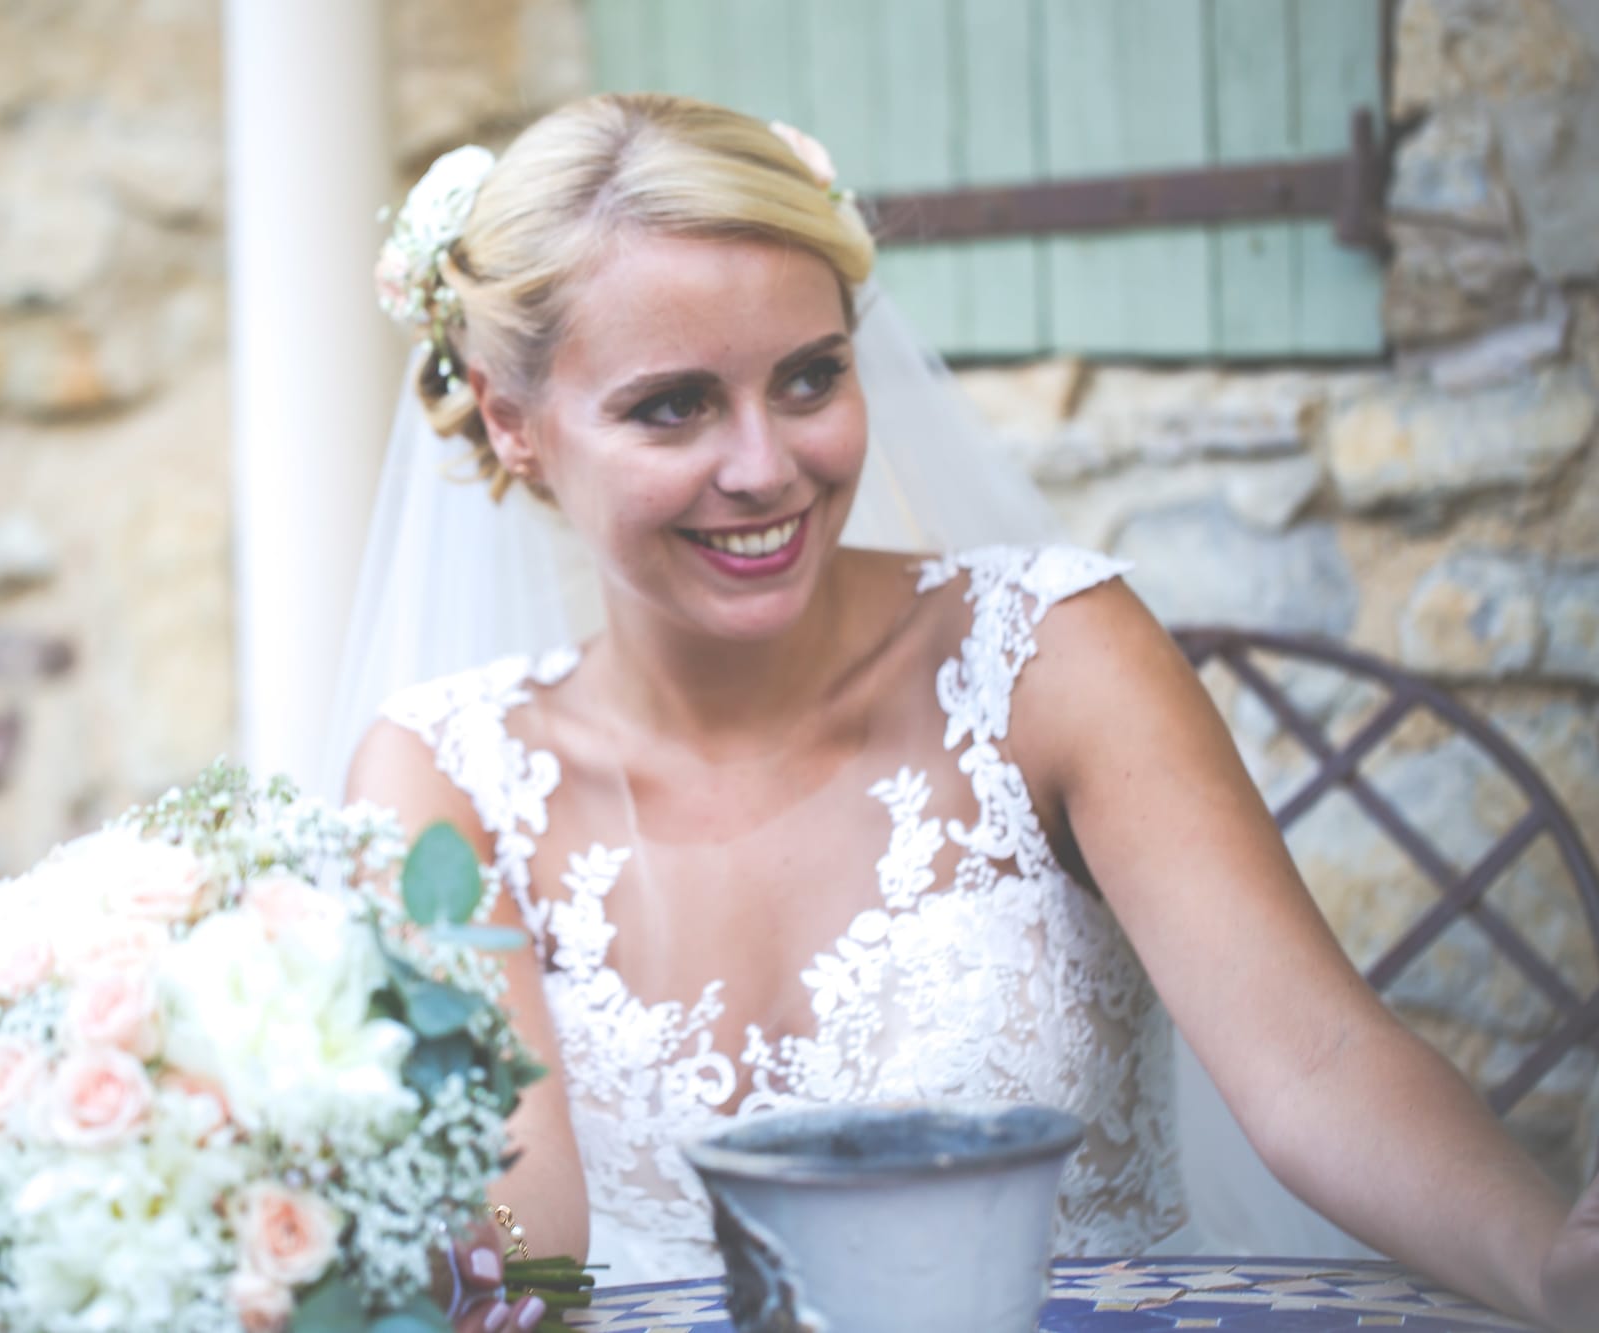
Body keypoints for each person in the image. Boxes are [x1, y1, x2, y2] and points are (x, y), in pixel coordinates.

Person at [339, 93, 1599, 1332]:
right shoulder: (444, 776)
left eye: (807, 378)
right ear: (512, 421)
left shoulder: (1047, 655)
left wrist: (1546, 1266)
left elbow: (1316, 1064)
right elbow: (520, 1219)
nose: (764, 466)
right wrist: (505, 1286)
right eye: (671, 405)